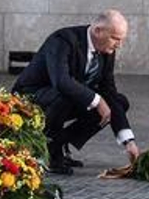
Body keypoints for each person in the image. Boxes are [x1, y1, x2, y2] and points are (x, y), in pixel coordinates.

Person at [12, 10, 139, 175]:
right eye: (115, 38)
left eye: (122, 40)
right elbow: (61, 82)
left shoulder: (106, 49)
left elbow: (109, 91)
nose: (119, 45)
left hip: (64, 99)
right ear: (98, 31)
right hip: (30, 97)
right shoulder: (63, 40)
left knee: (119, 102)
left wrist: (128, 141)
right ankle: (50, 152)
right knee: (67, 95)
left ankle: (57, 143)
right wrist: (98, 101)